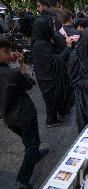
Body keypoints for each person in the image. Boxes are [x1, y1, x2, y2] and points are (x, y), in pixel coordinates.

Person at [0, 37, 49, 189]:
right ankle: (22, 179)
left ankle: (35, 155)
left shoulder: (7, 71)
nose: (9, 55)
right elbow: (29, 84)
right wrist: (21, 66)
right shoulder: (12, 74)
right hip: (24, 115)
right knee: (32, 145)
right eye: (6, 52)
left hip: (9, 117)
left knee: (29, 140)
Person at [32, 17, 73, 127]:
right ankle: (51, 120)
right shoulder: (41, 45)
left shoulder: (37, 42)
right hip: (48, 77)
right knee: (52, 97)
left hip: (43, 75)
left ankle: (54, 117)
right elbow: (57, 60)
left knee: (50, 98)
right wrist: (68, 47)